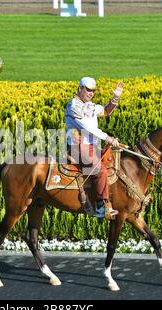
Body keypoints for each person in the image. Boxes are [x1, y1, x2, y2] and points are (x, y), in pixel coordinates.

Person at [65, 77, 124, 220]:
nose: (91, 93)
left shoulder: (90, 105)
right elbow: (88, 128)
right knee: (100, 170)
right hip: (78, 147)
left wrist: (115, 98)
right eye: (88, 90)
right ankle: (100, 208)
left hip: (91, 146)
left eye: (93, 91)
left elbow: (105, 111)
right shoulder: (73, 106)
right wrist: (108, 138)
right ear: (80, 89)